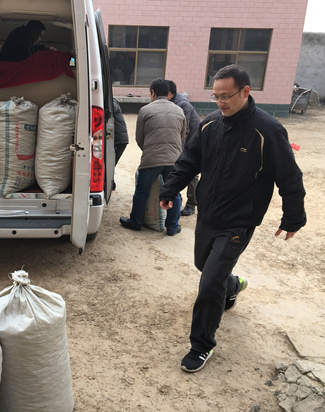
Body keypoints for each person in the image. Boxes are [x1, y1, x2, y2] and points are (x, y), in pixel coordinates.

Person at [159, 65, 306, 372]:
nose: (220, 102)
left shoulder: (268, 130)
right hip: (209, 213)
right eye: (216, 96)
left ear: (245, 92)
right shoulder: (210, 124)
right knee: (204, 265)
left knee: (209, 282)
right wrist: (170, 188)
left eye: (226, 96)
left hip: (240, 220)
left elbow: (289, 176)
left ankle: (201, 345)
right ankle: (233, 285)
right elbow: (188, 161)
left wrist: (293, 217)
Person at [120, 78, 186, 236]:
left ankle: (135, 222)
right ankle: (172, 227)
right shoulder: (179, 110)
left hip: (151, 160)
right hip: (174, 160)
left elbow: (139, 138)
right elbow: (182, 135)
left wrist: (149, 150)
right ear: (168, 93)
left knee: (142, 192)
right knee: (173, 193)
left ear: (153, 93)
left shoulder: (145, 110)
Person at [167, 80, 201, 216]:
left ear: (168, 93)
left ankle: (191, 204)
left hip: (194, 143)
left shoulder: (182, 105)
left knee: (192, 173)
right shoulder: (173, 103)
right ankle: (178, 198)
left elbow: (184, 130)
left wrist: (179, 152)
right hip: (184, 142)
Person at [112, 98, 129, 190]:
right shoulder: (113, 102)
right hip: (119, 138)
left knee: (111, 163)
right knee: (111, 162)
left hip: (120, 139)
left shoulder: (112, 102)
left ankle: (110, 183)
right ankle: (110, 182)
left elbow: (111, 107)